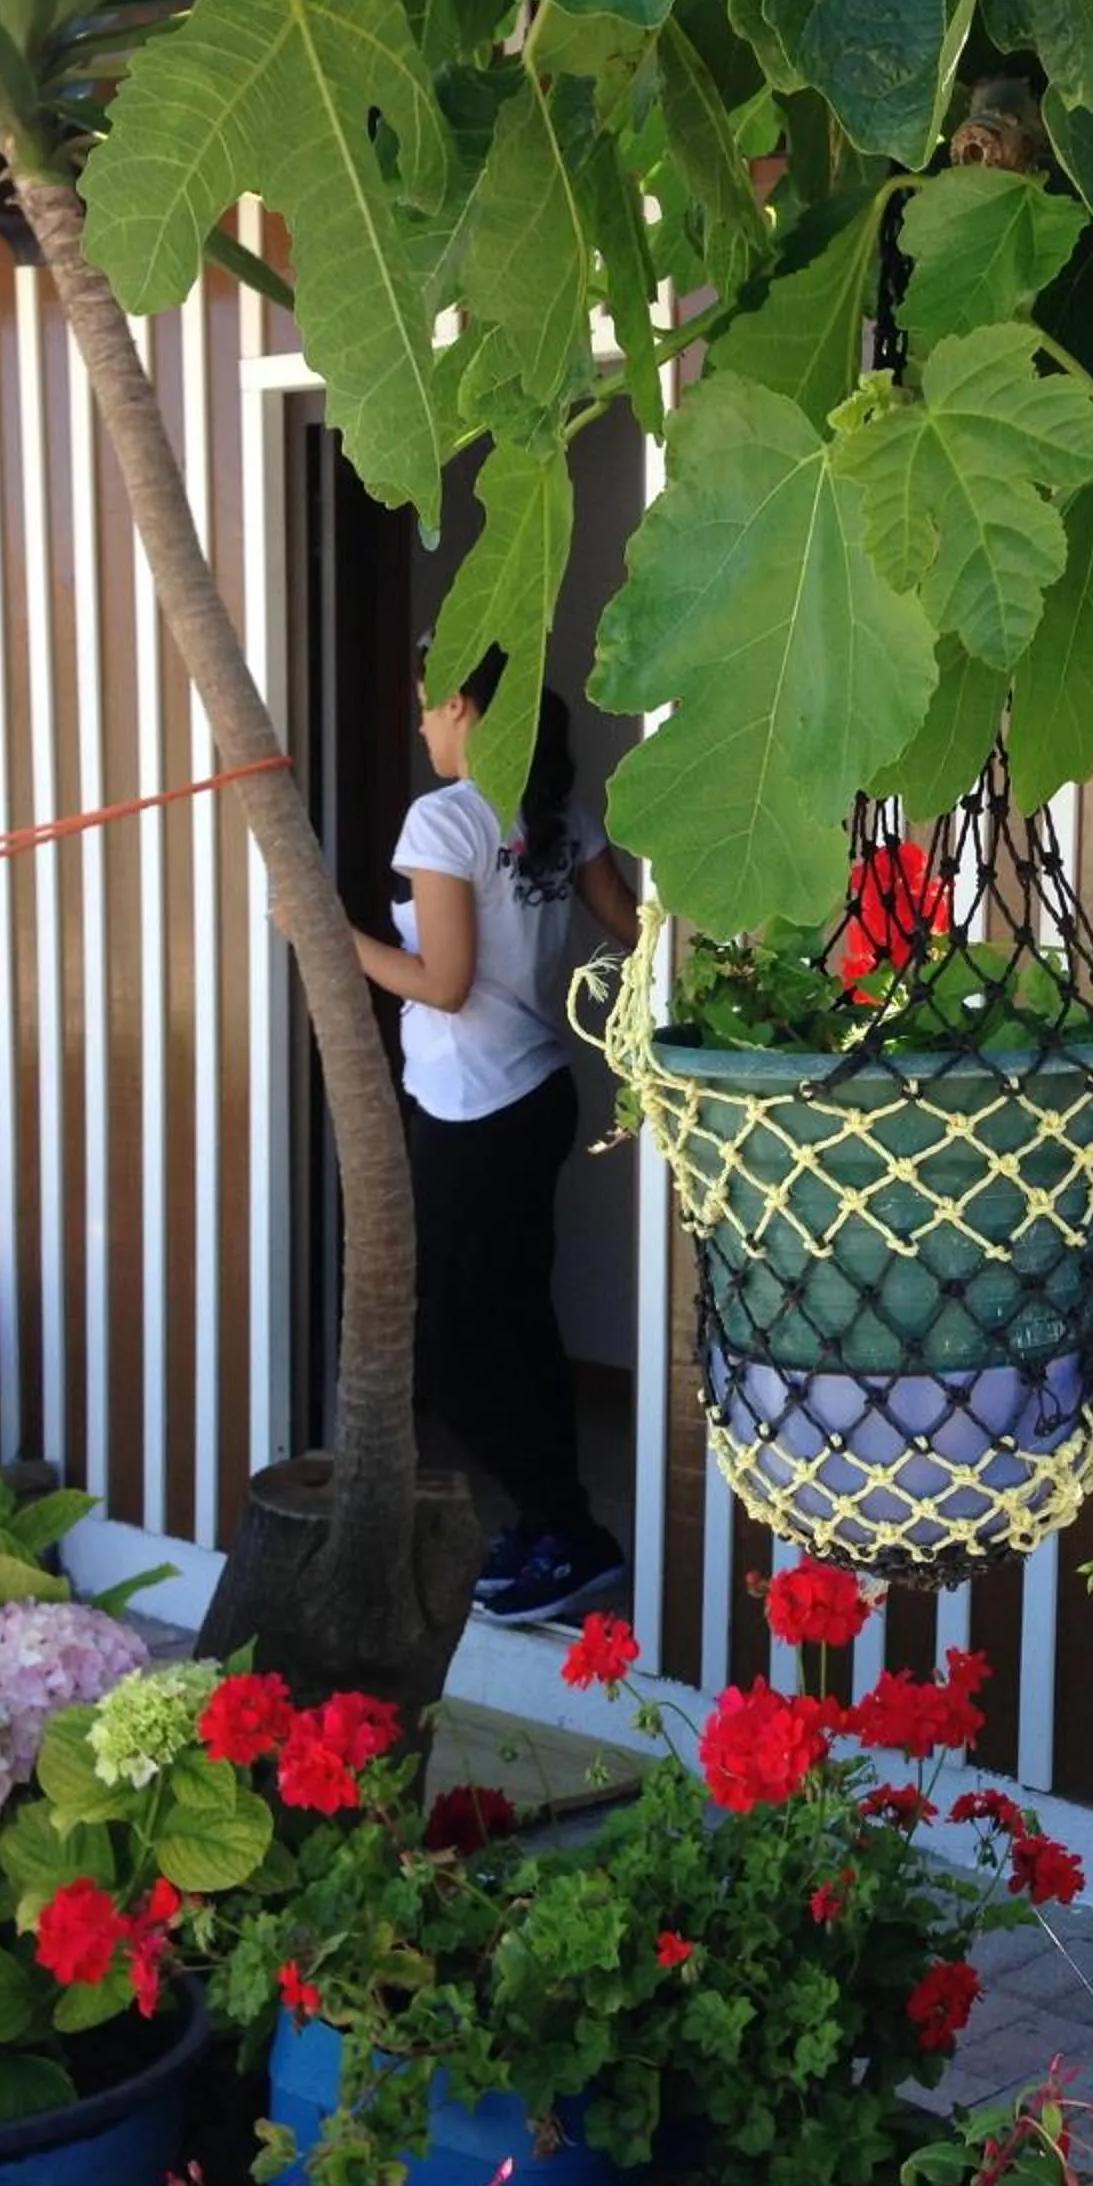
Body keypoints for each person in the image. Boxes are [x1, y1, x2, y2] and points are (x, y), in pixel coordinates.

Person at [344, 643, 638, 1621]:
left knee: (461, 1348)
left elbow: (444, 984)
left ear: (463, 707)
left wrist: (331, 937)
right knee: (517, 1324)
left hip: (470, 1114)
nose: (422, 727)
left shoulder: (446, 818)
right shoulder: (554, 807)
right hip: (538, 1095)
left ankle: (569, 1531)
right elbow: (634, 930)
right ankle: (554, 1526)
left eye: (426, 709)